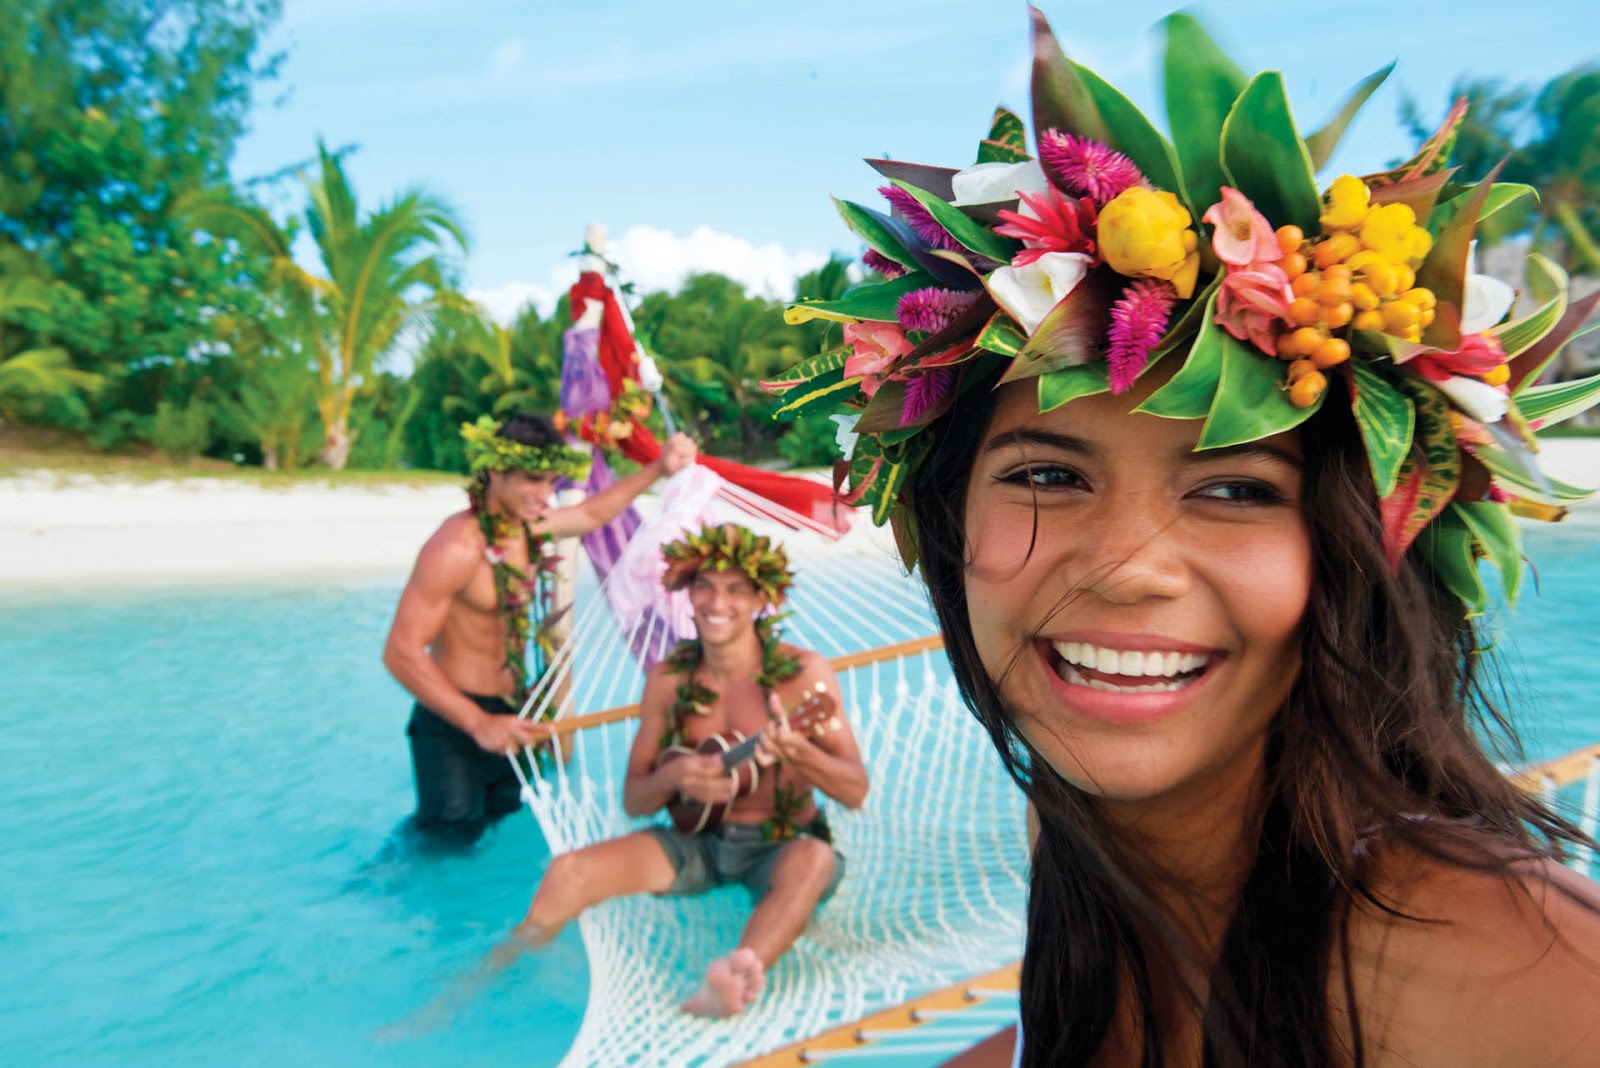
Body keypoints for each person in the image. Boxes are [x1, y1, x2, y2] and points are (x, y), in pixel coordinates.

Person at [774, 10, 1600, 1065]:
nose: (1125, 569)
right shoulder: (1081, 848)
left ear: (1353, 551)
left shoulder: (1525, 984)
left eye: (1235, 492)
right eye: (1045, 475)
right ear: (948, 528)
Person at [512, 522, 869, 1017]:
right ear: (686, 590)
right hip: (698, 841)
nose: (716, 603)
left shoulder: (804, 674)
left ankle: (734, 977)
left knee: (815, 860)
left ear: (761, 598)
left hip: (784, 843)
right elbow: (635, 800)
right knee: (569, 871)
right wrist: (675, 778)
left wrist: (799, 751)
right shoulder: (668, 679)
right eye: (705, 585)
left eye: (735, 589)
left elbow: (855, 791)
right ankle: (506, 968)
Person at [383, 411, 696, 845]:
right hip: (453, 725)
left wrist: (658, 469)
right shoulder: (456, 548)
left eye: (552, 481)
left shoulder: (528, 528)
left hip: (515, 714)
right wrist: (478, 723)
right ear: (495, 471)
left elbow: (590, 515)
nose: (546, 494)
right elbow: (400, 654)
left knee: (499, 833)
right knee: (444, 849)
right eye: (533, 480)